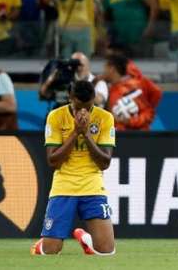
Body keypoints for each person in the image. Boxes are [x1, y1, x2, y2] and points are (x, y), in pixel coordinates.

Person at [31, 80, 115, 255]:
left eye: (88, 107)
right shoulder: (56, 116)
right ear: (70, 98)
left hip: (92, 184)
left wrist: (86, 134)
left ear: (94, 99)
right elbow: (53, 162)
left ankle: (86, 239)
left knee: (106, 251)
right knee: (50, 251)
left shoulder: (105, 118)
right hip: (64, 185)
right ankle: (42, 244)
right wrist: (76, 133)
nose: (83, 112)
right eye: (79, 107)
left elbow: (104, 163)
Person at [102, 53, 162, 131]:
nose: (103, 72)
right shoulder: (107, 91)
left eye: (105, 68)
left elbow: (148, 113)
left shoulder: (133, 87)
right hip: (116, 139)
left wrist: (129, 121)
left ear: (112, 69)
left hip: (138, 138)